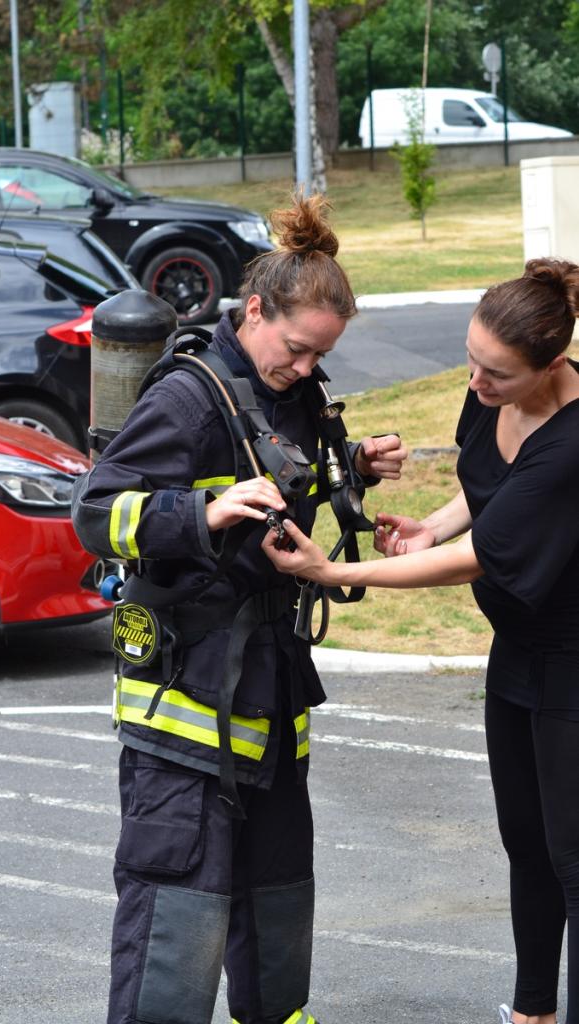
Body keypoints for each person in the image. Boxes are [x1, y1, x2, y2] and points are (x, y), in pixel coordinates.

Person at [71, 192, 407, 1024]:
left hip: (272, 696)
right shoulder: (188, 398)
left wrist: (352, 464)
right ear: (253, 310)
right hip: (185, 711)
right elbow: (93, 514)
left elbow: (285, 465)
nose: (302, 367)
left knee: (280, 902)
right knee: (176, 920)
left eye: (317, 355)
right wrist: (202, 512)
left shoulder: (292, 389)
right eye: (294, 349)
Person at [263, 257, 579, 1024]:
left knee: (575, 860)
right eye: (472, 362)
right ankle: (532, 1011)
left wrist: (339, 571)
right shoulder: (494, 397)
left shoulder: (573, 445)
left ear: (551, 366)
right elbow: (482, 488)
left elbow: (485, 553)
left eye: (496, 375)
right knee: (527, 846)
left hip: (576, 662)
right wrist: (427, 526)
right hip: (519, 651)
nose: (475, 385)